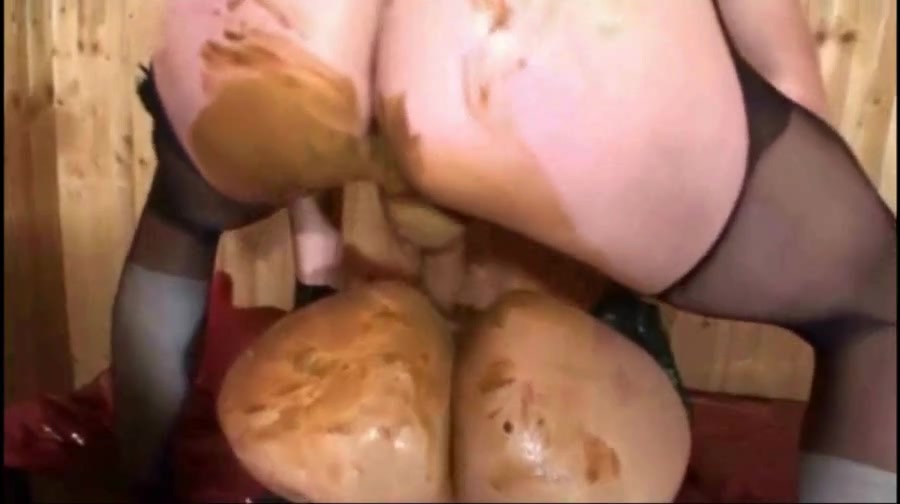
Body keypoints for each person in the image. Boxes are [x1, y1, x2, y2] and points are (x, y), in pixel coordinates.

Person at [111, 0, 896, 502]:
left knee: (180, 221)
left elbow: (308, 154)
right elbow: (791, 86)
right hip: (530, 44)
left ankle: (138, 482)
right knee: (877, 311)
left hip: (289, 31)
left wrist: (319, 284)